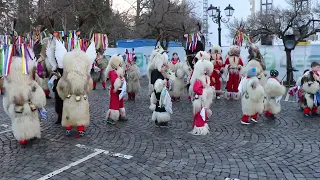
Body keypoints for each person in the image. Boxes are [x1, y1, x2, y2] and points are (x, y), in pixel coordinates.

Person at [3, 57, 46, 145]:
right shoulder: (30, 83)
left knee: (19, 122)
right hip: (29, 106)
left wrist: (8, 108)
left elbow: (6, 99)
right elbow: (39, 97)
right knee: (32, 119)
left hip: (17, 108)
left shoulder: (9, 84)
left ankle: (23, 137)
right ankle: (32, 133)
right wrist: (39, 103)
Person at [189, 58, 215, 135]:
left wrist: (209, 90)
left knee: (203, 113)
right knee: (200, 114)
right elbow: (196, 89)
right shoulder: (199, 79)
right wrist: (206, 91)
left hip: (204, 99)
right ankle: (199, 127)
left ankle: (201, 125)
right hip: (200, 99)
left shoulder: (206, 78)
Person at [149, 49, 172, 126]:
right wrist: (162, 82)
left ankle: (160, 118)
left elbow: (168, 78)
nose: (164, 66)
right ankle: (160, 119)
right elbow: (154, 82)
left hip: (163, 90)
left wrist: (167, 76)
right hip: (158, 91)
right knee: (160, 103)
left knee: (163, 103)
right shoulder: (155, 72)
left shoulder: (162, 71)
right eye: (162, 65)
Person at [106, 54, 128, 124]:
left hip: (120, 90)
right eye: (120, 62)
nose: (121, 64)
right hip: (115, 91)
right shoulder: (112, 72)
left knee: (120, 103)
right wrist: (118, 84)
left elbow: (120, 78)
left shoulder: (118, 70)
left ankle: (121, 115)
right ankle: (111, 118)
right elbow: (114, 81)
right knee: (114, 105)